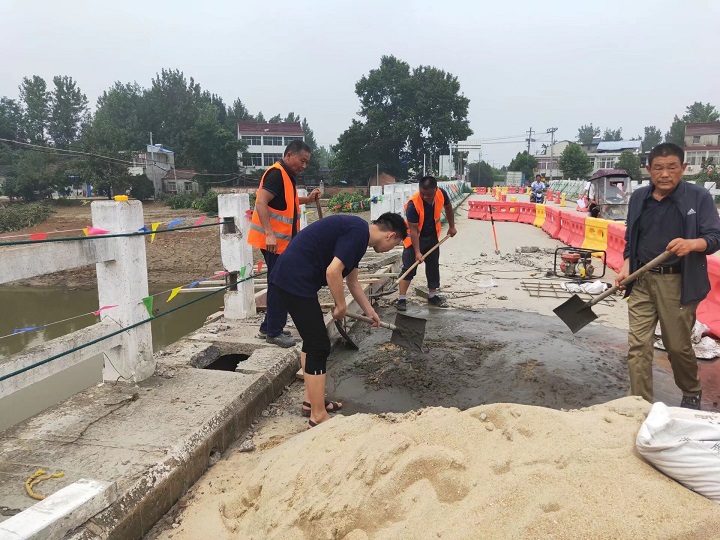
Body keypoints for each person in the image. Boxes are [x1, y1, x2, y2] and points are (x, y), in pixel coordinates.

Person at [267, 212, 407, 427]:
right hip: (294, 279)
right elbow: (333, 272)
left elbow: (352, 282)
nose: (391, 249)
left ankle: (311, 402)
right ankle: (318, 416)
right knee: (319, 345)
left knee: (312, 342)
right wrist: (341, 306)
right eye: (395, 244)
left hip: (292, 277)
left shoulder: (359, 235)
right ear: (391, 235)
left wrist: (369, 310)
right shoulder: (358, 233)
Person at [615, 142, 720, 410]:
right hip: (641, 280)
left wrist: (691, 244)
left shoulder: (698, 197)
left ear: (683, 168)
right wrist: (627, 265)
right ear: (649, 169)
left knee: (677, 346)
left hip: (678, 282)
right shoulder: (639, 197)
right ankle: (639, 404)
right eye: (658, 168)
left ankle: (691, 390)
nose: (664, 174)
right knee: (638, 345)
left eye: (672, 167)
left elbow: (714, 237)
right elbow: (631, 238)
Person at [247, 140, 321, 347]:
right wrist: (269, 234)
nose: (304, 166)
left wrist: (309, 199)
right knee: (280, 284)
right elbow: (261, 202)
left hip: (282, 243)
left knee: (277, 282)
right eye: (302, 160)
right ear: (289, 155)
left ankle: (268, 327)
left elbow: (289, 204)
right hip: (273, 242)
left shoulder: (287, 176)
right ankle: (274, 332)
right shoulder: (276, 174)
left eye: (307, 162)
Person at [397, 176, 457, 311]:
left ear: (436, 190)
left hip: (432, 237)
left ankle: (432, 296)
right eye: (422, 194)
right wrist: (417, 252)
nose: (425, 197)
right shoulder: (413, 204)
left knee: (433, 266)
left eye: (429, 195)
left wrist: (452, 226)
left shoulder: (442, 194)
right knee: (409, 268)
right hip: (413, 240)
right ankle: (401, 299)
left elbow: (448, 208)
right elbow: (413, 230)